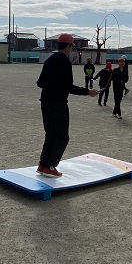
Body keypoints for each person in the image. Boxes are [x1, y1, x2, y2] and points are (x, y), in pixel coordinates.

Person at [36, 33, 98, 177]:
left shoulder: (49, 60)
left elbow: (40, 83)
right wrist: (87, 92)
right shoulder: (64, 61)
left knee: (51, 134)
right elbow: (67, 86)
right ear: (69, 46)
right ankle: (50, 166)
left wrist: (52, 84)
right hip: (58, 103)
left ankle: (43, 165)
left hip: (45, 102)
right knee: (62, 136)